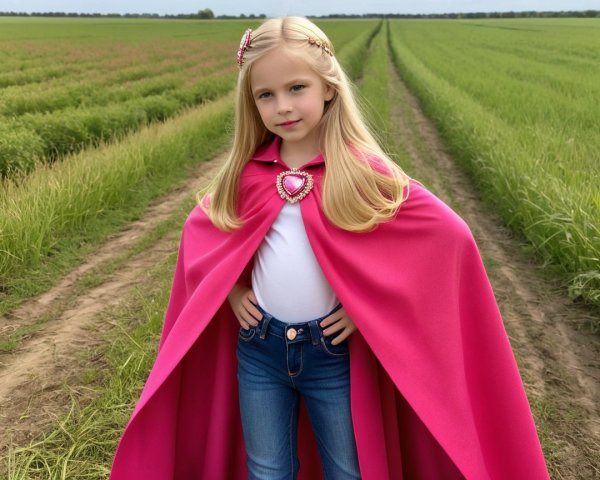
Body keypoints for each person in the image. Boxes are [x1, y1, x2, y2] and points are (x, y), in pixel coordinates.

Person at [109, 16, 550, 480]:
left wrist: (367, 310)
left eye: (297, 87)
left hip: (332, 352)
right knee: (265, 468)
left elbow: (448, 236)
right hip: (259, 351)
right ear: (251, 102)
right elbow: (204, 235)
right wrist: (233, 293)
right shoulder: (247, 176)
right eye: (266, 95)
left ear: (328, 87)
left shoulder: (363, 175)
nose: (283, 106)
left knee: (348, 469)